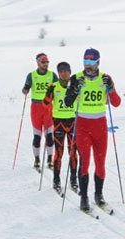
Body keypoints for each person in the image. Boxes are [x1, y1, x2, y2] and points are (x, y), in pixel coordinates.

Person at [64, 48, 122, 213]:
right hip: (82, 125)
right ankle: (84, 197)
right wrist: (75, 90)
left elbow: (116, 103)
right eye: (86, 62)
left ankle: (98, 194)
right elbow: (68, 103)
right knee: (85, 163)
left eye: (91, 62)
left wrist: (110, 88)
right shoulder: (76, 78)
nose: (88, 66)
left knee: (100, 163)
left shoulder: (105, 78)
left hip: (100, 126)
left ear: (98, 62)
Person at [42, 61, 79, 193]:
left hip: (73, 122)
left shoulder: (75, 86)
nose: (64, 73)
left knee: (73, 152)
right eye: (61, 71)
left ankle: (73, 179)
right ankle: (56, 179)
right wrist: (48, 93)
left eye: (66, 71)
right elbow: (45, 104)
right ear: (58, 73)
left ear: (70, 72)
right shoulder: (54, 86)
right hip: (58, 122)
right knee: (59, 152)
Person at [22, 53, 58, 171]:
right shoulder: (31, 75)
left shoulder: (52, 75)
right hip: (36, 108)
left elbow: (60, 88)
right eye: (43, 62)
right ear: (38, 63)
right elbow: (25, 88)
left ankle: (49, 159)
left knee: (49, 135)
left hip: (48, 107)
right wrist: (25, 89)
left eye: (47, 62)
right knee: (37, 135)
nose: (46, 64)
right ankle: (37, 159)